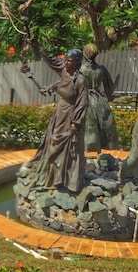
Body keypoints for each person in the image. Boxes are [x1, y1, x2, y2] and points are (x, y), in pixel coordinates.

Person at [18, 49, 89, 193]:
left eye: (69, 61)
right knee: (51, 140)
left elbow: (83, 102)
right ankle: (48, 174)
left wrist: (76, 122)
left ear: (77, 63)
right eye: (66, 59)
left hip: (70, 115)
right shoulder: (64, 71)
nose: (66, 62)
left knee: (65, 146)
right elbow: (59, 80)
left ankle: (65, 179)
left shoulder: (80, 80)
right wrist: (50, 88)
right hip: (60, 112)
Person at [80, 43, 118, 153]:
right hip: (100, 101)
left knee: (88, 128)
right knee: (106, 127)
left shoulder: (80, 70)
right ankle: (107, 152)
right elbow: (109, 91)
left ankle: (89, 153)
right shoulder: (101, 69)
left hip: (84, 100)